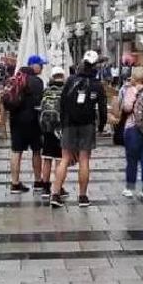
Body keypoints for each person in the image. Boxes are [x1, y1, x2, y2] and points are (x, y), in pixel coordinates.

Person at [51, 51, 107, 208]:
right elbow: (102, 109)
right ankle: (82, 197)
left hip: (69, 124)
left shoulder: (70, 80)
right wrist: (101, 126)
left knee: (64, 159)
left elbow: (62, 103)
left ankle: (55, 194)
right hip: (87, 125)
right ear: (95, 66)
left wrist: (62, 123)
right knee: (84, 160)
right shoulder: (97, 85)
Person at [7, 55, 46, 193]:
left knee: (16, 151)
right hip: (33, 120)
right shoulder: (37, 81)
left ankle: (15, 183)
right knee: (36, 151)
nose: (42, 68)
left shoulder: (16, 78)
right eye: (41, 65)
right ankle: (38, 181)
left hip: (16, 120)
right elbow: (39, 101)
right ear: (33, 65)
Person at [121, 68, 143, 202]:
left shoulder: (132, 90)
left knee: (132, 160)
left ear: (135, 77)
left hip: (133, 128)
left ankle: (130, 189)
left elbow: (127, 107)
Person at [38, 67, 68, 199]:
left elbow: (40, 108)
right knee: (59, 160)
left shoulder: (46, 90)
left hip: (46, 128)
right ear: (63, 76)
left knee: (47, 158)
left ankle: (45, 187)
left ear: (52, 76)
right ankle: (58, 187)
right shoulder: (66, 90)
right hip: (60, 129)